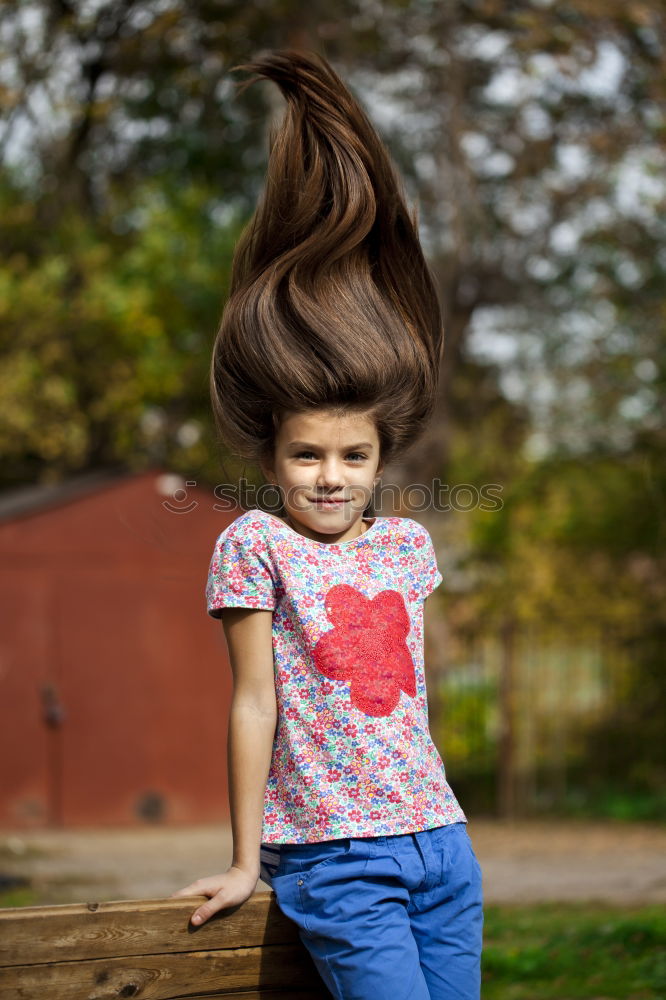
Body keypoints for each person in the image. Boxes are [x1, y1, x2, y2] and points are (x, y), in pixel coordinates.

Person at [172, 49, 483, 1000]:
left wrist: (441, 835)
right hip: (334, 855)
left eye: (353, 458)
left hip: (442, 844)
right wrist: (242, 858)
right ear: (271, 459)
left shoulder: (407, 545)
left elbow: (404, 694)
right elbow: (253, 704)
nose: (330, 477)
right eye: (308, 456)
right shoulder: (253, 545)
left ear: (382, 461)